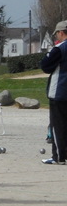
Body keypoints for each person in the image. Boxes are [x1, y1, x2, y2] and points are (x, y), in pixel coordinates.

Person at [40, 19, 67, 165]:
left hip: (59, 91)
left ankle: (59, 156)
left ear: (61, 33)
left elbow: (45, 66)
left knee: (58, 125)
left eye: (57, 34)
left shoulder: (59, 48)